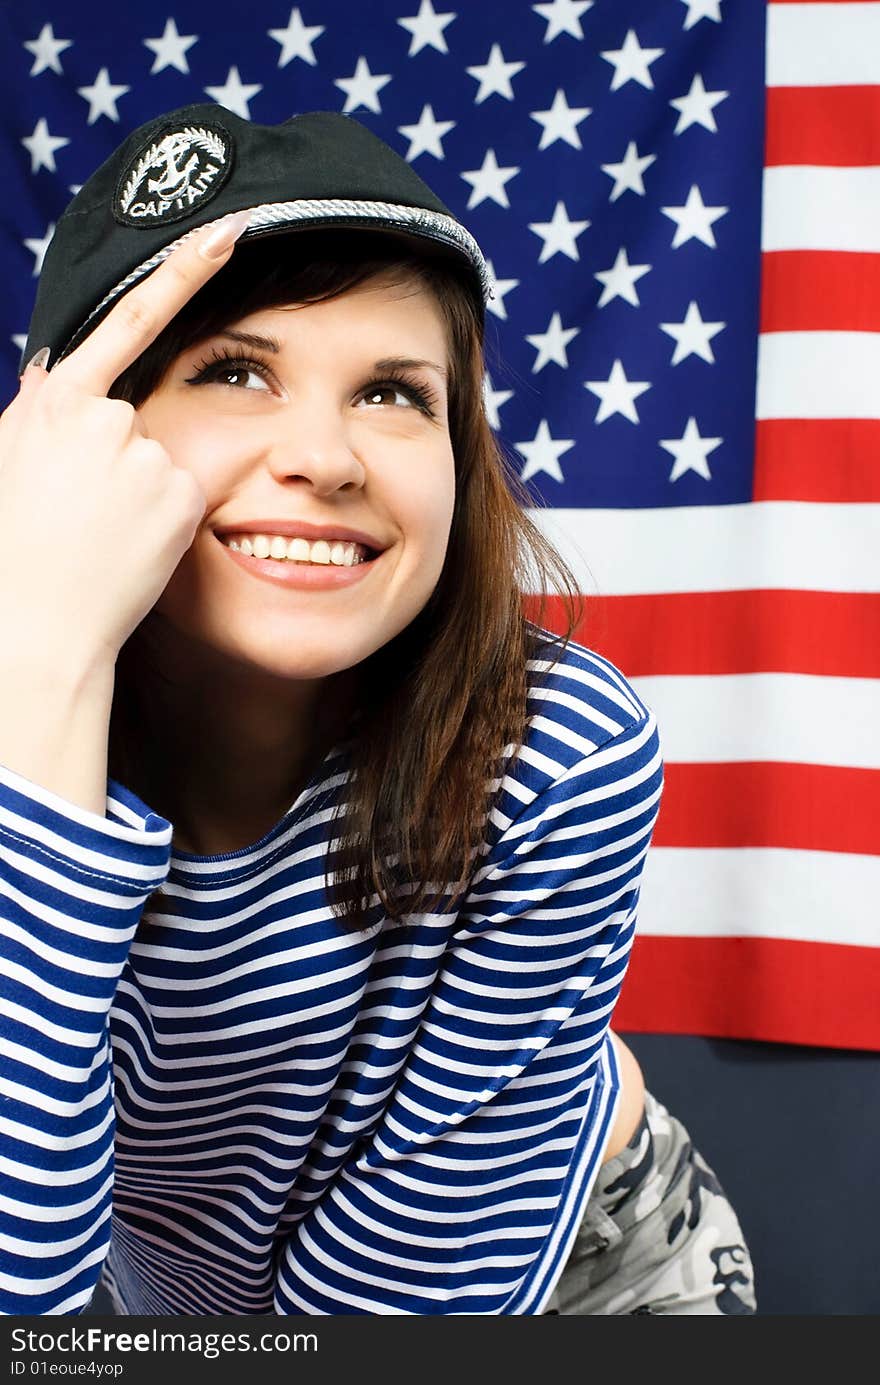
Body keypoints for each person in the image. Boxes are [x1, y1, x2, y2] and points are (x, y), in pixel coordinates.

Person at [0, 104, 756, 1316]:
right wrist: (38, 670)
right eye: (235, 371)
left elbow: (388, 1311)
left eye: (396, 394)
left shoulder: (553, 755)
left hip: (562, 1269)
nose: (329, 455)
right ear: (73, 443)